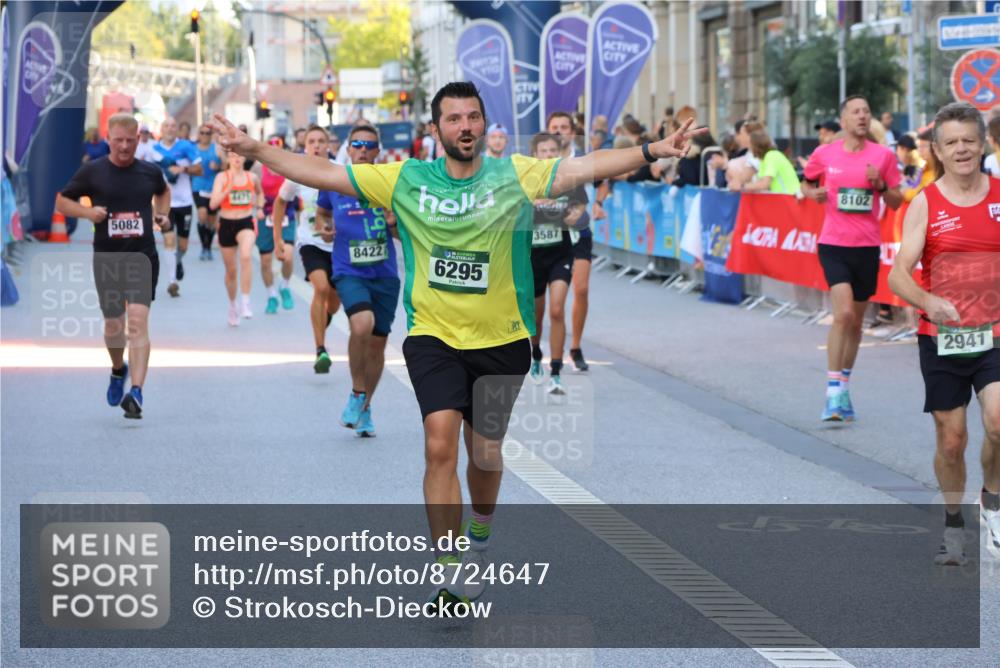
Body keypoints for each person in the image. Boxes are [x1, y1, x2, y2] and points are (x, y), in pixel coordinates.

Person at [212, 80, 702, 606]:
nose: (464, 126)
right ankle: (449, 565)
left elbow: (585, 166)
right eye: (454, 118)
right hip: (434, 335)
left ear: (483, 124)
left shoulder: (514, 173)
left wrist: (654, 150)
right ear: (436, 128)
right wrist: (256, 149)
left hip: (504, 336)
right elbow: (326, 172)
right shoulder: (407, 179)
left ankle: (481, 529)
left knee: (485, 454)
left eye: (473, 117)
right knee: (439, 442)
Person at [888, 101, 1000, 564]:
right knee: (951, 440)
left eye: (968, 140)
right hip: (943, 337)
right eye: (951, 142)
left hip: (995, 332)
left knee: (998, 422)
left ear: (983, 143)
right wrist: (928, 300)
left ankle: (992, 504)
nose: (961, 150)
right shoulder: (927, 203)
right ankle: (954, 522)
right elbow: (898, 274)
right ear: (936, 148)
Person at [56, 113, 171, 418]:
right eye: (117, 140)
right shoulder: (92, 172)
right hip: (107, 257)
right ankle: (118, 369)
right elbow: (62, 202)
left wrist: (162, 215)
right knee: (113, 325)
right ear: (109, 139)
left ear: (138, 141)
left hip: (142, 255)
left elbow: (163, 192)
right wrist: (87, 212)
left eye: (129, 141)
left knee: (137, 321)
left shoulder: (149, 171)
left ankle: (137, 392)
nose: (123, 146)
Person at [802, 95, 903, 422]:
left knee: (857, 321)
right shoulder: (824, 153)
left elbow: (897, 200)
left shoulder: (883, 156)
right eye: (855, 112)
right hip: (833, 243)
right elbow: (807, 181)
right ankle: (832, 392)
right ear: (843, 121)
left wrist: (880, 184)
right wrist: (811, 193)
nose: (862, 116)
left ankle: (844, 385)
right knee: (843, 314)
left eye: (866, 112)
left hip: (866, 246)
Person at [316, 125, 400, 437]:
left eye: (369, 145)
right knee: (361, 325)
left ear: (378, 151)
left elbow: (403, 233)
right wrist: (324, 227)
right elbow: (322, 213)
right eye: (357, 145)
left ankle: (365, 406)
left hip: (385, 275)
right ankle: (355, 392)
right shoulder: (335, 182)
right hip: (348, 270)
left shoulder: (391, 184)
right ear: (349, 150)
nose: (363, 150)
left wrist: (394, 223)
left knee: (378, 346)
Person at [271, 125, 341, 372]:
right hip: (310, 242)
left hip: (339, 244)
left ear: (328, 145)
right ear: (305, 145)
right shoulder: (297, 173)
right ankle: (320, 350)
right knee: (320, 287)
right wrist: (278, 238)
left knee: (334, 303)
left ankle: (324, 320)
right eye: (312, 141)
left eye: (322, 141)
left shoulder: (340, 170)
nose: (317, 145)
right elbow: (280, 203)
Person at [527, 132, 589, 395]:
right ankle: (535, 353)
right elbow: (510, 213)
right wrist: (533, 206)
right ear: (535, 154)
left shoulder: (569, 179)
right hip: (533, 256)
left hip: (560, 253)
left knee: (556, 310)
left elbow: (581, 212)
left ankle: (555, 372)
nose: (550, 154)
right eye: (544, 151)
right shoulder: (526, 180)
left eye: (554, 150)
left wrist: (568, 214)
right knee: (536, 318)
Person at [547, 110, 591, 371]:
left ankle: (575, 347)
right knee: (554, 301)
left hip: (580, 230)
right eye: (555, 127)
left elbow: (604, 182)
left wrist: (596, 202)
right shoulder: (542, 157)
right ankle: (551, 346)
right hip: (551, 233)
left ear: (572, 131)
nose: (559, 131)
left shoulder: (583, 159)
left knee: (582, 289)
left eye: (564, 127)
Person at [150, 117, 203, 297]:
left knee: (183, 246)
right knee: (168, 240)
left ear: (177, 129)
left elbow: (200, 169)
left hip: (185, 202)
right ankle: (172, 282)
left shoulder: (186, 147)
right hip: (164, 203)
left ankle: (177, 261)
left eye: (173, 126)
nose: (170, 129)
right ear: (161, 129)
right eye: (166, 126)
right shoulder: (154, 150)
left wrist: (182, 170)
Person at [210, 149, 262, 325]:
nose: (236, 158)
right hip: (226, 223)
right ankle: (233, 305)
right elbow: (213, 204)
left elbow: (260, 193)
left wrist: (260, 207)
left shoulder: (251, 178)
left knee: (246, 255)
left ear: (245, 157)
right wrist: (227, 189)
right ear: (228, 158)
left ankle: (245, 300)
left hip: (245, 221)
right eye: (232, 155)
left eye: (239, 154)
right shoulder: (222, 178)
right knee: (231, 271)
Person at [257, 137, 297, 315]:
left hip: (286, 215)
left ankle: (285, 286)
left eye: (277, 149)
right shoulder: (259, 168)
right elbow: (253, 189)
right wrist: (257, 206)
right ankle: (271, 295)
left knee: (286, 256)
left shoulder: (288, 168)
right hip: (265, 216)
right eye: (271, 149)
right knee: (266, 262)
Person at [192, 123, 223, 261]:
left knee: (211, 221)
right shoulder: (193, 149)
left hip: (214, 187)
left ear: (211, 135)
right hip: (198, 186)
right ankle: (204, 247)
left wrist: (218, 166)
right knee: (202, 214)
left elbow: (227, 164)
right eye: (202, 133)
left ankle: (208, 247)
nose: (205, 135)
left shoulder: (216, 148)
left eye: (207, 133)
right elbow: (186, 166)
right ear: (199, 135)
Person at [740, 127, 800, 194]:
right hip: (783, 199)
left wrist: (742, 186)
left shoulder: (771, 156)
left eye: (750, 144)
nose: (749, 147)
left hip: (788, 198)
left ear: (756, 145)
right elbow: (760, 182)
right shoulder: (766, 158)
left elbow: (765, 184)